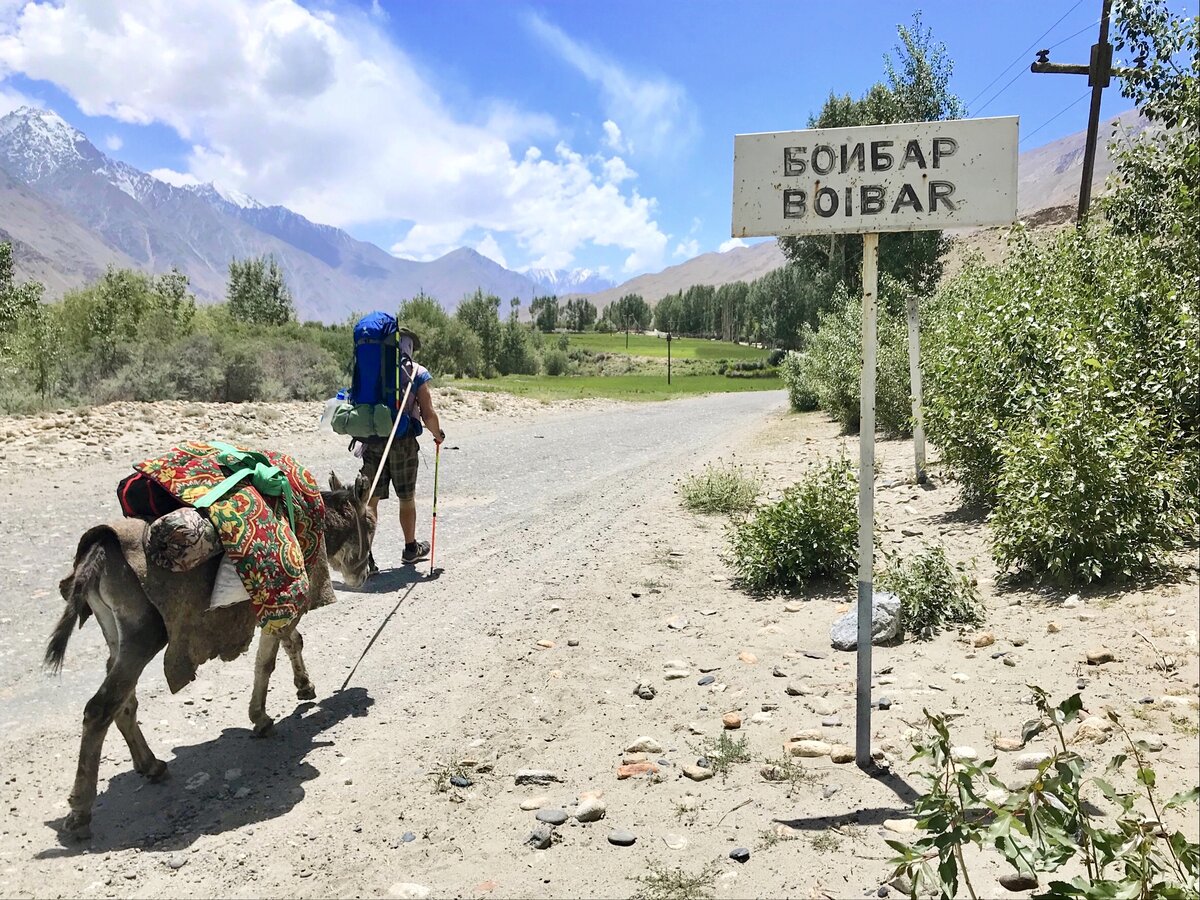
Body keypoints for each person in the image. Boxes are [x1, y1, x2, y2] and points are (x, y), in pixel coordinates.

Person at [358, 326, 443, 570]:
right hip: (403, 443)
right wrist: (438, 435)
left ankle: (366, 559)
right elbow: (428, 414)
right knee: (406, 498)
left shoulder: (373, 369)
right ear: (408, 346)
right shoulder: (417, 372)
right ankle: (410, 549)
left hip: (372, 440)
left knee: (371, 499)